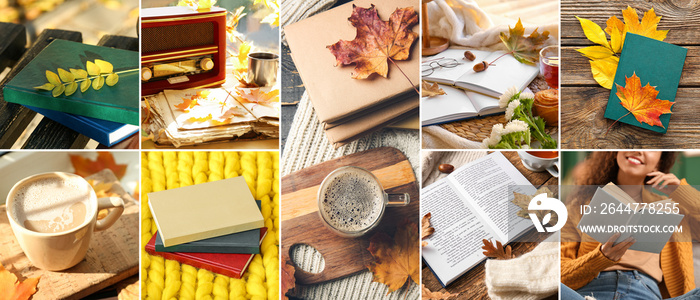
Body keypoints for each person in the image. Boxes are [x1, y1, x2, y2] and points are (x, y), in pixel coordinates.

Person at [560, 151, 700, 300]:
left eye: (650, 148)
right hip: (591, 292)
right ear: (615, 152)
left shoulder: (673, 210)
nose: (638, 150)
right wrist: (600, 257)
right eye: (631, 142)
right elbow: (561, 275)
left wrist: (679, 190)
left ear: (658, 163)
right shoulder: (578, 207)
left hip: (645, 293)